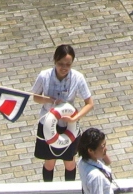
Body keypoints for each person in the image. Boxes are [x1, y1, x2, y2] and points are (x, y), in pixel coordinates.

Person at [31, 44, 95, 182]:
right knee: (49, 162)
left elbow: (89, 103)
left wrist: (75, 118)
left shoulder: (78, 77)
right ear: (55, 60)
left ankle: (69, 189)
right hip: (47, 123)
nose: (64, 68)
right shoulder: (44, 76)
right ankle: (48, 189)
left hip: (68, 125)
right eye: (61, 63)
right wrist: (49, 100)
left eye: (68, 64)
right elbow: (35, 97)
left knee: (69, 162)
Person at [78, 128, 118, 194]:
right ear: (90, 150)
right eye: (103, 146)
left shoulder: (82, 161)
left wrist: (103, 150)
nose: (106, 148)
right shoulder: (96, 177)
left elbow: (108, 162)